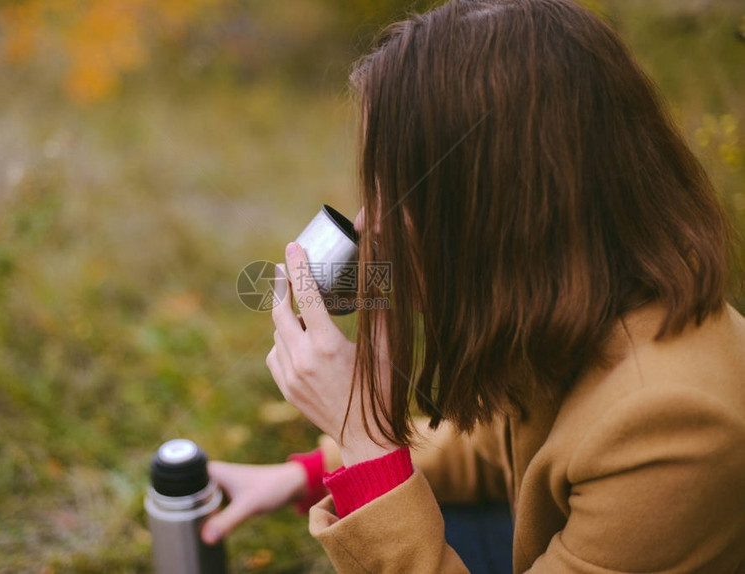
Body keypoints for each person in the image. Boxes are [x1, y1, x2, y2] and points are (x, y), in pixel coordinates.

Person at [202, 0, 745, 572]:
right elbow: (490, 448)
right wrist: (308, 473)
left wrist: (363, 436)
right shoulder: (584, 306)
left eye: (398, 188)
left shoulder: (671, 427)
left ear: (498, 209)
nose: (366, 225)